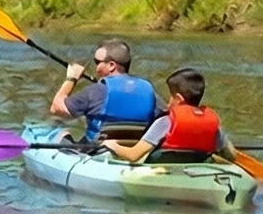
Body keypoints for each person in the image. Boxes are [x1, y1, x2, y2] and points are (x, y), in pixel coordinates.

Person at [103, 67, 242, 169]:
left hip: (162, 175)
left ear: (179, 98)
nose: (168, 103)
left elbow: (133, 155)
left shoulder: (165, 122)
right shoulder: (213, 125)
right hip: (195, 175)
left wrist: (112, 145)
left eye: (171, 96)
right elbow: (231, 156)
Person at [49, 38, 162, 142]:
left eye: (97, 62)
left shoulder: (96, 91)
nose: (96, 67)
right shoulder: (149, 90)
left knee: (61, 134)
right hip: (133, 151)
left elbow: (56, 108)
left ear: (111, 65)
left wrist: (71, 78)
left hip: (98, 152)